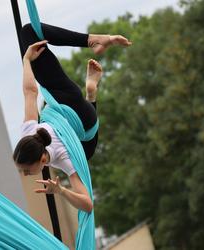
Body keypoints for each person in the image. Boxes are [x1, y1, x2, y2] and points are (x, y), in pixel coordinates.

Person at [13, 23, 131, 213]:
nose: (26, 174)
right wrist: (27, 60)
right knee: (29, 32)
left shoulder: (63, 158)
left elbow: (87, 205)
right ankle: (94, 41)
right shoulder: (28, 131)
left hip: (85, 119)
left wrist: (61, 191)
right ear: (43, 159)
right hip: (66, 99)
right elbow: (30, 92)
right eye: (26, 171)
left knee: (86, 154)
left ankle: (91, 97)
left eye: (26, 169)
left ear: (43, 160)